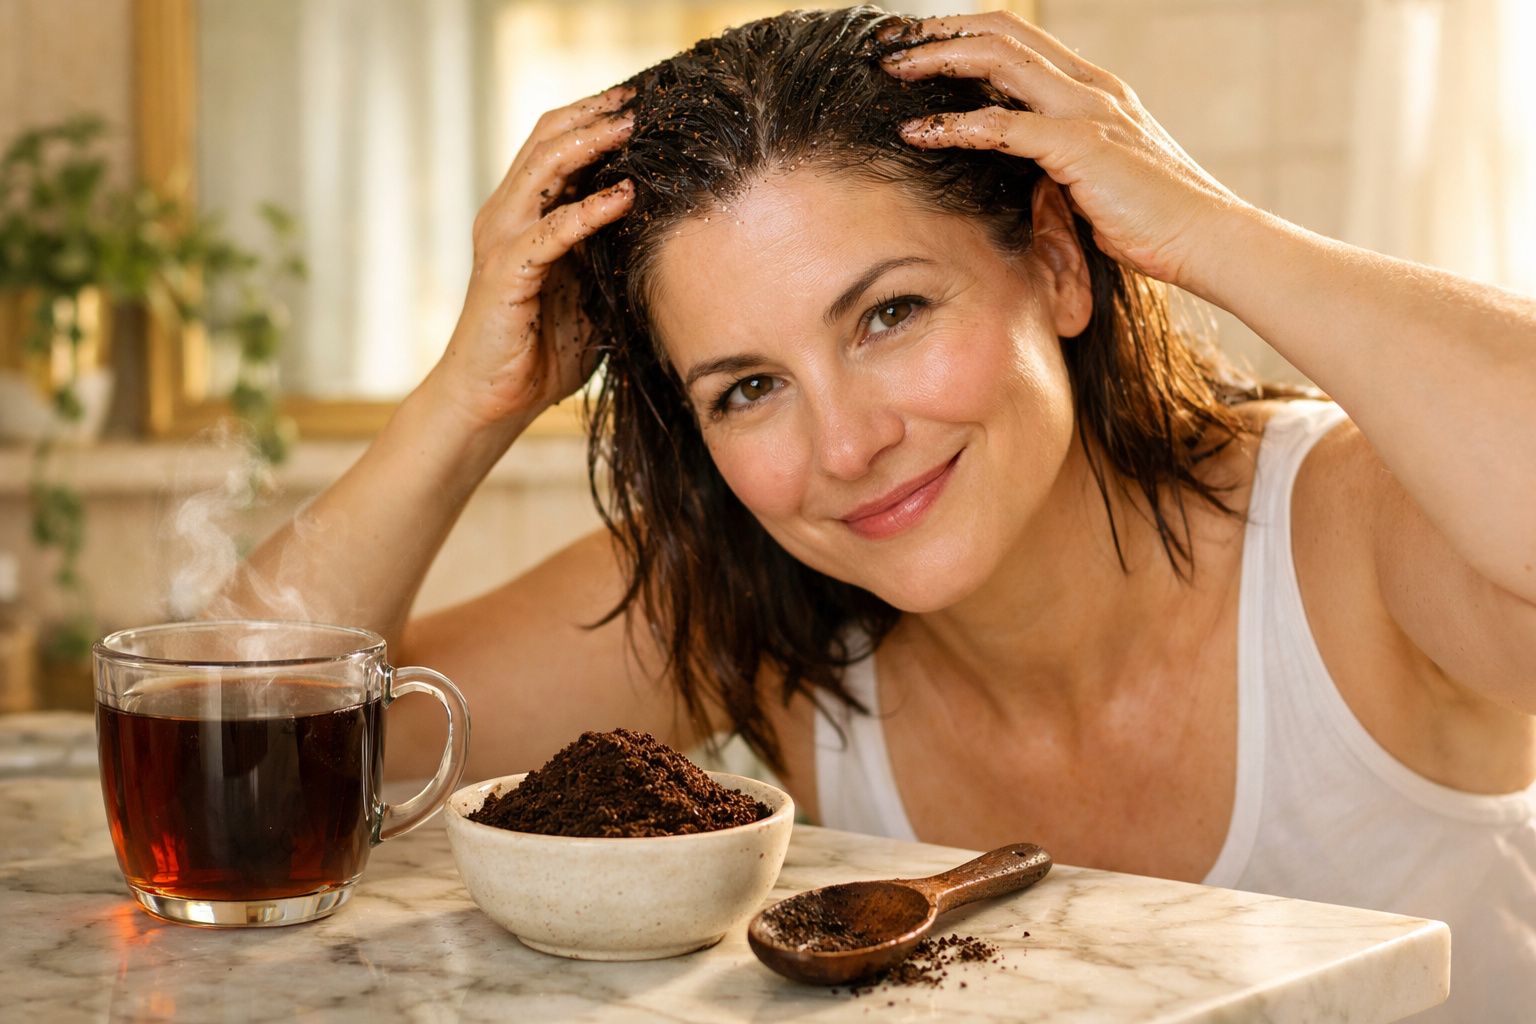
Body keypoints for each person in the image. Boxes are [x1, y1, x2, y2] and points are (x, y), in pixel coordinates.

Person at [223, 8, 1535, 1019]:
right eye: (747, 388)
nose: (845, 445)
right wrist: (467, 399)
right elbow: (254, 771)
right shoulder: (759, 612)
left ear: (1062, 266)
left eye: (891, 313)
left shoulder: (1351, 533)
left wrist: (1208, 227)